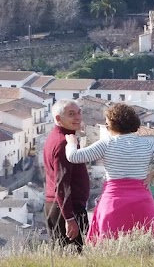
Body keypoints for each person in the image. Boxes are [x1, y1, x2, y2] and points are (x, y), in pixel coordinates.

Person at [65, 102, 154, 242]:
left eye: (107, 124)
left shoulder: (107, 144)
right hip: (142, 202)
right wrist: (152, 174)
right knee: (146, 246)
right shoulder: (147, 145)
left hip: (113, 201)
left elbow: (74, 157)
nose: (106, 127)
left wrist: (71, 142)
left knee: (108, 245)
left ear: (113, 124)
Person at [43, 100, 90, 249]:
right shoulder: (63, 142)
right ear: (58, 118)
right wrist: (69, 217)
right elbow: (62, 183)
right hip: (66, 208)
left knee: (63, 254)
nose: (78, 117)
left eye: (79, 112)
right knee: (74, 255)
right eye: (71, 114)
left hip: (59, 206)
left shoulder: (58, 137)